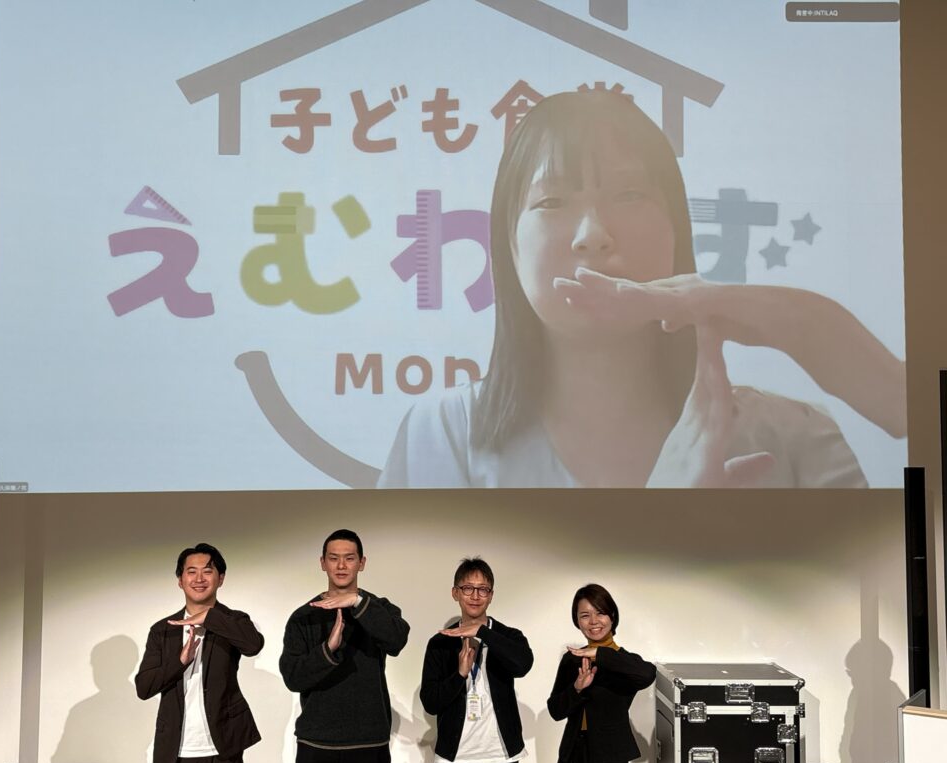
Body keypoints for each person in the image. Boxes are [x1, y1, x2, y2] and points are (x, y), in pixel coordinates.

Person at [379, 89, 905, 489]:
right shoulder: (442, 434)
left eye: (630, 194)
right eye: (552, 202)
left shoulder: (792, 435)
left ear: (678, 232)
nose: (593, 236)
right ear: (509, 248)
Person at [279, 529, 410, 763]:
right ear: (323, 563)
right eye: (333, 558)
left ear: (362, 563)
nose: (341, 566)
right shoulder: (304, 617)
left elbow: (396, 641)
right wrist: (328, 649)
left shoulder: (378, 608)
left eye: (349, 558)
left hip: (369, 742)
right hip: (316, 742)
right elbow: (293, 678)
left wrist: (357, 601)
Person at [135, 543, 264, 763]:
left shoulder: (234, 620)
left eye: (207, 571)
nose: (199, 579)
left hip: (223, 746)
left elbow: (253, 645)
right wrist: (179, 662)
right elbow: (144, 688)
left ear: (221, 578)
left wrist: (210, 618)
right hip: (176, 748)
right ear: (180, 580)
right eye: (191, 572)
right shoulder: (163, 629)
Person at [420, 558, 533, 763]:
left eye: (482, 589)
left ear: (491, 595)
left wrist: (482, 632)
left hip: (502, 757)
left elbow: (523, 665)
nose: (475, 596)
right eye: (468, 588)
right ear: (455, 593)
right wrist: (459, 675)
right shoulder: (440, 643)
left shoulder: (508, 636)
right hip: (453, 760)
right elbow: (430, 703)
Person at [547, 584, 654, 763]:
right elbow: (555, 711)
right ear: (577, 621)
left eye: (600, 613)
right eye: (585, 615)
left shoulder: (625, 661)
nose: (593, 621)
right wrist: (576, 689)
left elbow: (648, 674)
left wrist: (599, 653)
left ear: (612, 616)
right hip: (573, 754)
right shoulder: (572, 659)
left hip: (611, 756)